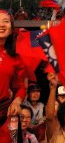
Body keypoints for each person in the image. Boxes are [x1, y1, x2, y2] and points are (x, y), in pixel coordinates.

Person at [0, 10, 27, 143]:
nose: (1, 25)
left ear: (11, 28)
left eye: (6, 21)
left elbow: (20, 86)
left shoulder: (15, 57)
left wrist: (17, 101)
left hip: (4, 115)